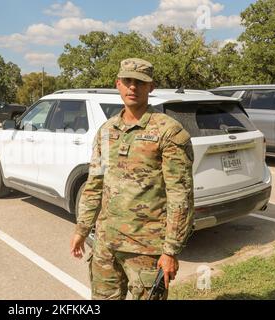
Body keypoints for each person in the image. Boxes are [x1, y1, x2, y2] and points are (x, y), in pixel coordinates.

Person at [70, 58, 195, 300]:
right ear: (118, 84)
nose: (133, 87)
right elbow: (95, 184)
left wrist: (170, 250)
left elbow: (180, 196)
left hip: (147, 250)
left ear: (151, 87)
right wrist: (82, 229)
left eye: (140, 82)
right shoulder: (107, 131)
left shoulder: (169, 132)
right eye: (127, 81)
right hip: (106, 245)